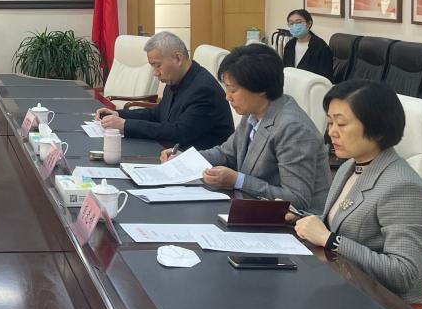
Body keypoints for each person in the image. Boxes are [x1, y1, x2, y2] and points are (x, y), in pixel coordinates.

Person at [292, 80, 422, 303]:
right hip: (346, 288)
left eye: (341, 124)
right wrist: (297, 217)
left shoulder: (403, 187)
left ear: (377, 128)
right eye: (330, 122)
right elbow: (339, 223)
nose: (331, 133)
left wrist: (331, 240)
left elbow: (403, 273)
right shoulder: (350, 166)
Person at [162, 43, 331, 211]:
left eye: (233, 90)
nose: (227, 97)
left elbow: (296, 200)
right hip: (252, 207)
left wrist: (238, 180)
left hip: (294, 221)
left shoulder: (293, 128)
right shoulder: (254, 111)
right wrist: (185, 159)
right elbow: (226, 153)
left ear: (260, 89)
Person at [95, 32, 233, 149]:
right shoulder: (177, 78)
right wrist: (119, 114)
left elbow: (179, 133)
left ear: (178, 58)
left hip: (203, 165)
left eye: (157, 65)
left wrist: (125, 125)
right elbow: (157, 114)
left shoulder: (203, 90)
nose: (155, 73)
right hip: (173, 153)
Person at [282, 8, 334, 81]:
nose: (294, 26)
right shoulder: (289, 45)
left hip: (313, 85)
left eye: (298, 22)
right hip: (292, 83)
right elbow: (286, 70)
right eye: (291, 23)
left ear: (309, 24)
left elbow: (326, 76)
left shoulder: (320, 46)